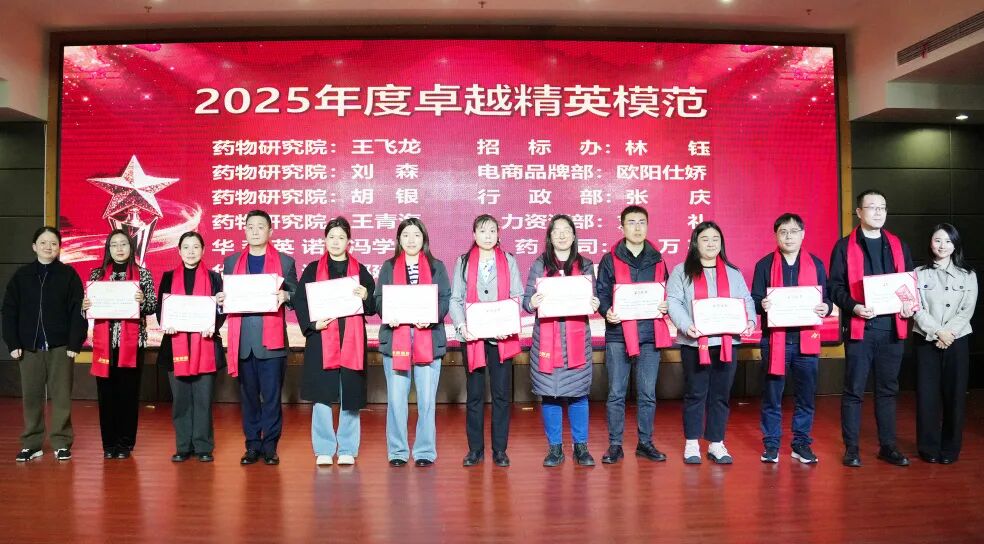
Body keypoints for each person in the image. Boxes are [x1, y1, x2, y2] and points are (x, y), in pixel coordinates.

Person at [828, 189, 915, 467]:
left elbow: (908, 283)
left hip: (892, 330)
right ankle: (852, 449)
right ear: (859, 212)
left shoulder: (898, 245)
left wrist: (909, 305)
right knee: (854, 390)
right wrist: (854, 307)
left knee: (888, 390)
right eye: (872, 207)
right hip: (860, 329)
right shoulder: (844, 246)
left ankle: (888, 446)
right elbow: (835, 287)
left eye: (882, 207)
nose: (878, 212)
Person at [667, 221, 755, 464]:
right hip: (694, 343)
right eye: (705, 239)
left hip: (727, 343)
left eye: (716, 239)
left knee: (721, 394)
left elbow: (746, 300)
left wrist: (749, 320)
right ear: (695, 243)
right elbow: (673, 301)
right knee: (695, 393)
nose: (711, 243)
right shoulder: (681, 271)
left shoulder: (733, 272)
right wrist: (686, 325)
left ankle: (716, 443)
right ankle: (692, 443)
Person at [293, 217, 376, 467]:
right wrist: (312, 324)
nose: (336, 242)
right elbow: (300, 301)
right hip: (321, 339)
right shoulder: (312, 269)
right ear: (324, 240)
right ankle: (324, 448)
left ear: (349, 241)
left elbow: (373, 305)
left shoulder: (360, 270)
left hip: (352, 341)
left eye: (341, 237)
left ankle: (348, 447)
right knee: (322, 394)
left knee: (350, 394)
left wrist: (366, 295)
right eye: (331, 237)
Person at [750, 213, 832, 464]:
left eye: (794, 231)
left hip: (807, 341)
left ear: (803, 234)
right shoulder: (764, 265)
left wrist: (826, 307)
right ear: (776, 235)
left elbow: (826, 299)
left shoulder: (816, 264)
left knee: (805, 397)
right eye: (783, 232)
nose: (788, 236)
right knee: (772, 396)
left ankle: (801, 444)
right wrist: (762, 304)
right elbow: (754, 299)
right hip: (775, 342)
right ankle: (771, 444)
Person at [218, 209, 298, 466]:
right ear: (244, 230)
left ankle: (270, 446)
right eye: (250, 226)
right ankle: (252, 445)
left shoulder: (285, 262)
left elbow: (298, 295)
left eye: (260, 227)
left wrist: (287, 296)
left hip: (272, 343)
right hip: (243, 342)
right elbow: (226, 298)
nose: (254, 231)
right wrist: (221, 299)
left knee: (272, 398)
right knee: (249, 397)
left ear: (270, 231)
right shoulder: (231, 262)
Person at [594, 205, 672, 465]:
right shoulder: (610, 259)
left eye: (641, 222)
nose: (637, 227)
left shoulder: (658, 259)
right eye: (631, 222)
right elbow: (602, 292)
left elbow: (666, 291)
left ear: (647, 226)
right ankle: (615, 444)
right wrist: (607, 311)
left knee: (647, 393)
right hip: (618, 334)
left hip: (650, 334)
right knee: (616, 392)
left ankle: (645, 442)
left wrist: (665, 304)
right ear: (622, 227)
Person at [3, 226, 86, 462]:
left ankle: (61, 442)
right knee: (31, 397)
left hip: (61, 348)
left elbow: (78, 311)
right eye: (43, 242)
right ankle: (32, 443)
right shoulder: (21, 276)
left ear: (59, 247)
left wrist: (74, 343)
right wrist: (12, 342)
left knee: (61, 397)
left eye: (53, 243)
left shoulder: (68, 275)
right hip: (29, 348)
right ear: (34, 246)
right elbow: (9, 311)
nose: (48, 247)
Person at [523, 214, 600, 467]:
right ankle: (555, 448)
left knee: (578, 394)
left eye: (567, 230)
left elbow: (593, 298)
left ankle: (581, 447)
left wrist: (595, 303)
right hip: (546, 338)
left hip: (577, 339)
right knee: (550, 394)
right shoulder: (539, 264)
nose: (562, 234)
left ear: (574, 235)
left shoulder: (585, 265)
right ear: (550, 236)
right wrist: (532, 302)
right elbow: (526, 301)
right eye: (556, 230)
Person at [375, 217, 451, 467]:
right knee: (397, 401)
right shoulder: (388, 266)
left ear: (424, 239)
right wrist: (389, 313)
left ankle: (425, 450)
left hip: (428, 338)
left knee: (427, 401)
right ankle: (397, 450)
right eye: (406, 235)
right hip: (395, 339)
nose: (411, 240)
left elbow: (444, 298)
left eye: (416, 235)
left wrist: (431, 317)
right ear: (399, 239)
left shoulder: (437, 266)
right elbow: (379, 298)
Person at [449, 214, 523, 468]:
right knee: (475, 395)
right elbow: (455, 299)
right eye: (482, 231)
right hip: (473, 339)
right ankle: (475, 449)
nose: (488, 236)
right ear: (474, 235)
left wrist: (508, 325)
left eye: (492, 231)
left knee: (501, 395)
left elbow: (517, 295)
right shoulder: (463, 261)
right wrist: (462, 326)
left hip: (501, 339)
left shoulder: (509, 260)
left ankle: (500, 450)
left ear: (498, 233)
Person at [82, 229, 157, 459]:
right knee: (106, 395)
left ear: (131, 247)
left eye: (123, 243)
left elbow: (152, 306)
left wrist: (142, 301)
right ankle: (109, 444)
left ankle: (125, 443)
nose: (119, 248)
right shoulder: (97, 274)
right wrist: (85, 306)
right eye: (114, 244)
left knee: (128, 395)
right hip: (104, 344)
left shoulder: (142, 274)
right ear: (108, 248)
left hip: (132, 345)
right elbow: (87, 310)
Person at [156, 231, 226, 463]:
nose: (191, 251)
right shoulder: (168, 277)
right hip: (175, 346)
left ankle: (203, 446)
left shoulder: (214, 278)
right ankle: (183, 446)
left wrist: (212, 325)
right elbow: (161, 309)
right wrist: (166, 323)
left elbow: (221, 309)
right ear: (179, 251)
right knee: (181, 400)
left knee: (203, 400)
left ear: (203, 250)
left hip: (205, 345)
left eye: (196, 247)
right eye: (186, 247)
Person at [913, 223, 977, 464]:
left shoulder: (968, 275)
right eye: (937, 240)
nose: (942, 246)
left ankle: (950, 449)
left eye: (948, 241)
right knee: (927, 396)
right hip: (926, 341)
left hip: (957, 341)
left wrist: (948, 333)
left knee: (955, 396)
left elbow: (967, 310)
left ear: (955, 244)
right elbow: (916, 308)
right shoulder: (918, 273)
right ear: (930, 243)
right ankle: (928, 447)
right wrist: (938, 332)